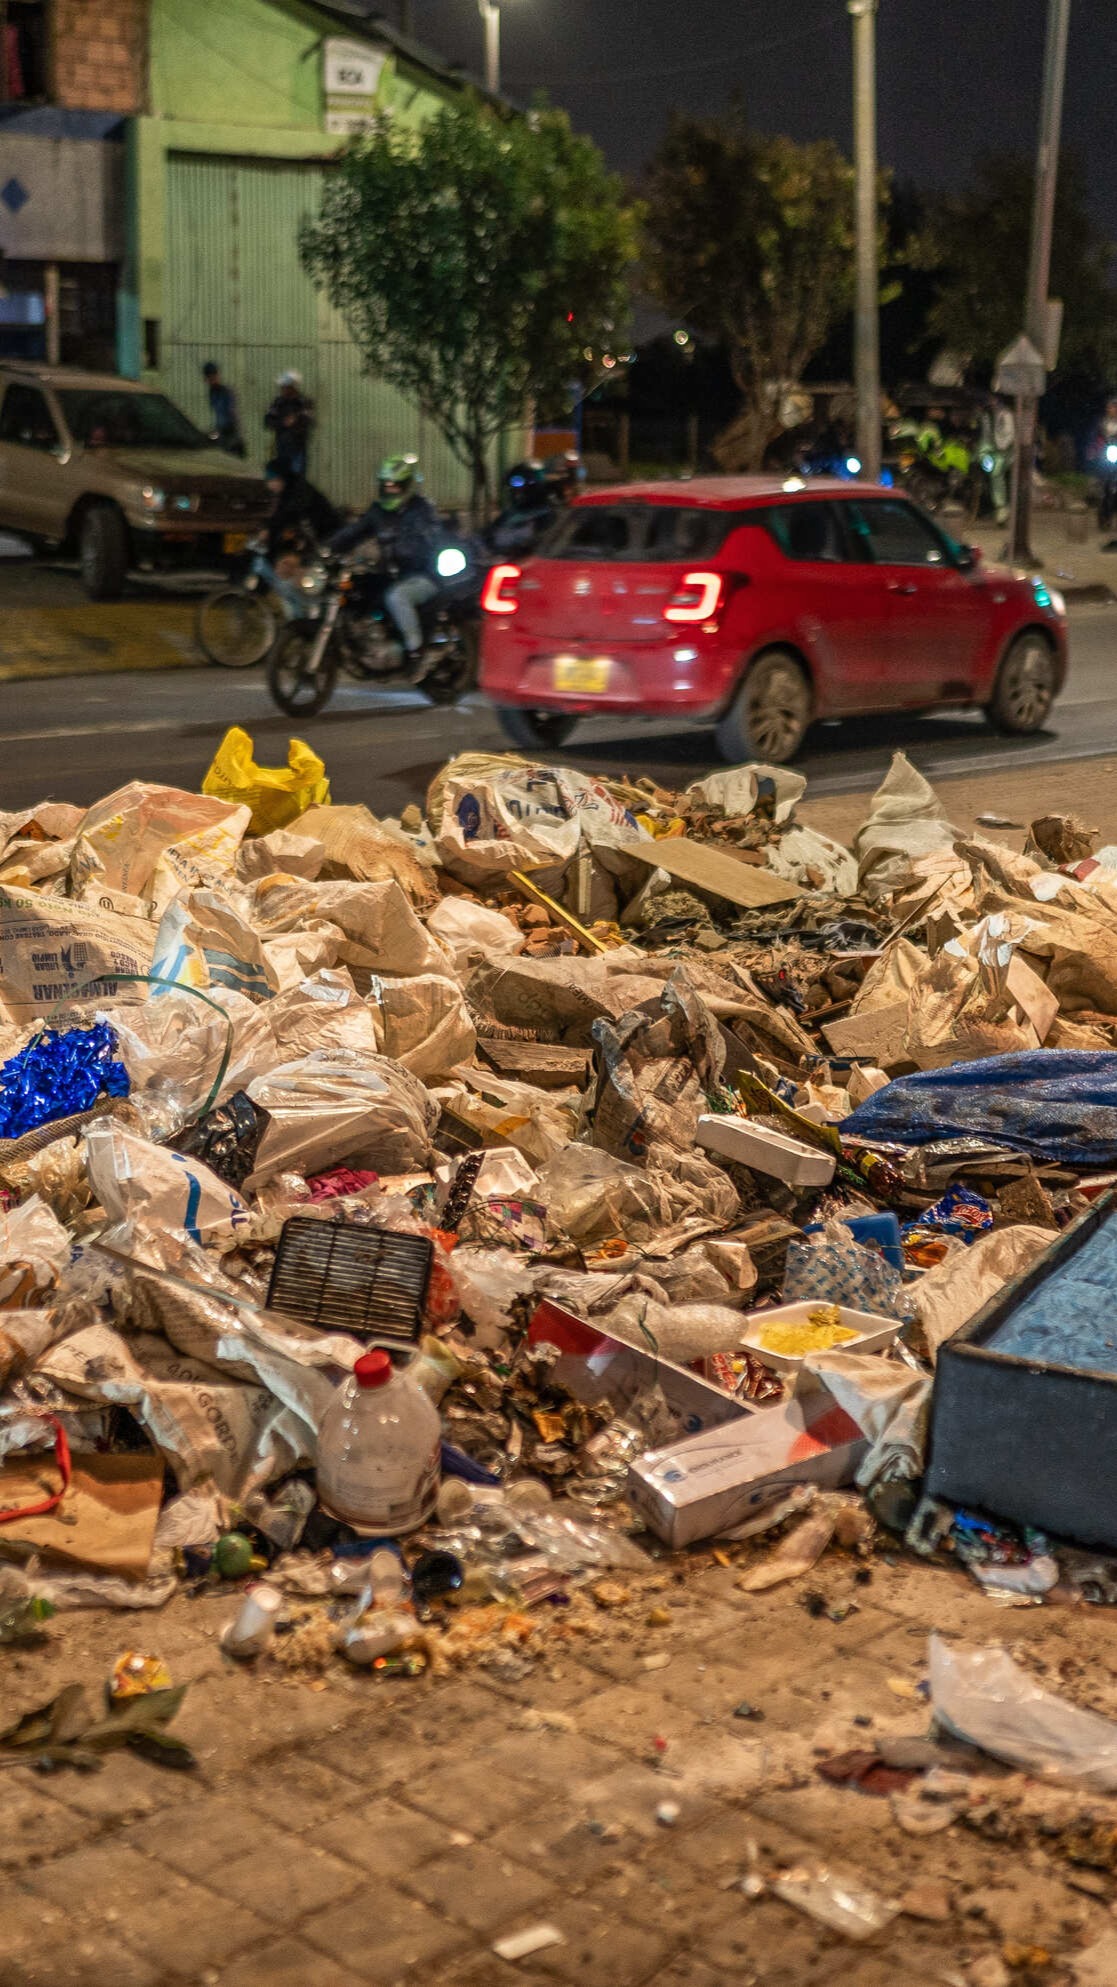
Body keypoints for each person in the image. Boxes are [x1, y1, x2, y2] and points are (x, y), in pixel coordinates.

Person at [327, 453, 442, 667]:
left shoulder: (422, 509)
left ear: (407, 486)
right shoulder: (378, 510)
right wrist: (329, 547)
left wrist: (402, 550)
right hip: (391, 574)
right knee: (358, 588)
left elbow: (429, 538)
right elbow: (355, 531)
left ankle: (417, 652)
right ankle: (369, 641)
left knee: (397, 597)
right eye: (386, 485)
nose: (391, 490)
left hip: (422, 575)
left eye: (396, 486)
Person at [486, 459, 557, 554]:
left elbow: (544, 544)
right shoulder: (511, 514)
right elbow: (491, 534)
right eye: (514, 484)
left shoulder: (547, 516)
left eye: (518, 483)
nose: (516, 490)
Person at [265, 370, 315, 477]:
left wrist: (296, 422)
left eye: (285, 386)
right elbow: (268, 421)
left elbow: (308, 421)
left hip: (297, 448)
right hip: (281, 448)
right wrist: (283, 423)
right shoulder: (278, 402)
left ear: (293, 387)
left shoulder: (304, 402)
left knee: (296, 478)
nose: (282, 389)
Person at [201, 362, 245, 457]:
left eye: (213, 377)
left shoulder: (226, 392)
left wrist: (233, 432)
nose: (211, 380)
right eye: (209, 378)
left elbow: (232, 413)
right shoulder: (212, 392)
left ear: (217, 376)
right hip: (222, 433)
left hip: (231, 433)